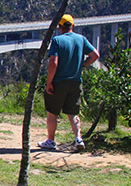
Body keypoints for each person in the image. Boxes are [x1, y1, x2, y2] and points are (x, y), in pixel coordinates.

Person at [40, 13, 100, 152]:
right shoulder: (82, 39)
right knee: (73, 112)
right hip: (75, 81)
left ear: (60, 27)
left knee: (52, 112)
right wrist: (82, 65)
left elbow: (53, 63)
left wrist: (49, 82)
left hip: (59, 82)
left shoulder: (57, 40)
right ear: (72, 26)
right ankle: (78, 138)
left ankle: (50, 141)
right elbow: (95, 55)